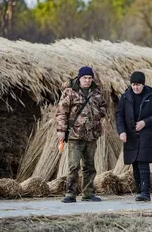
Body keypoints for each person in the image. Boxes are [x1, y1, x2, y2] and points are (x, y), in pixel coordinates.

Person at [56, 66, 107, 203]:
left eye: (90, 78)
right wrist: (61, 130)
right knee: (73, 166)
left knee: (89, 166)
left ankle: (88, 194)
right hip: (75, 135)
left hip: (92, 135)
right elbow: (61, 112)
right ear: (79, 78)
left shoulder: (96, 92)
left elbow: (103, 106)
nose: (87, 80)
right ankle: (70, 194)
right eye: (85, 78)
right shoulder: (70, 92)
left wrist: (98, 114)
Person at [115, 71, 152, 201]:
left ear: (143, 84)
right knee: (135, 163)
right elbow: (119, 115)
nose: (135, 87)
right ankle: (139, 192)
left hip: (147, 134)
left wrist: (145, 122)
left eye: (138, 85)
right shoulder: (125, 97)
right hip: (130, 134)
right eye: (133, 84)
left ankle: (145, 193)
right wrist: (122, 131)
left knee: (143, 162)